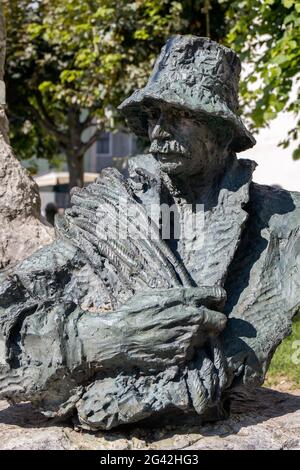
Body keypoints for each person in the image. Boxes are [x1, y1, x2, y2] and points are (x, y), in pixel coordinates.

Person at [0, 36, 299, 430]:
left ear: (223, 131)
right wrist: (108, 338)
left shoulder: (284, 223)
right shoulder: (114, 212)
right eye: (154, 115)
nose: (159, 131)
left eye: (181, 116)